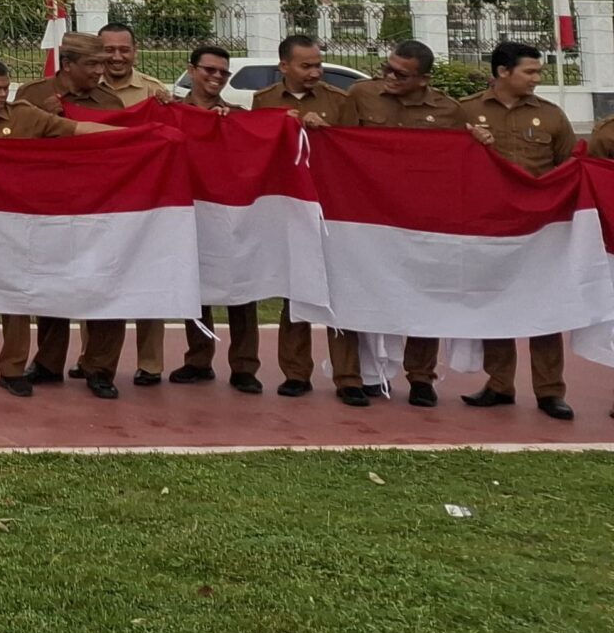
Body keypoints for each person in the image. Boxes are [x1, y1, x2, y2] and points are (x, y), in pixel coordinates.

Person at [0, 57, 117, 395]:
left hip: (13, 223)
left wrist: (130, 135)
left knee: (16, 295)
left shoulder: (23, 115)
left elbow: (74, 130)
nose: (3, 94)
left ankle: (13, 368)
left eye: (6, 87)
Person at [334, 40, 467, 408]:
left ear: (423, 79)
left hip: (419, 220)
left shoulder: (447, 111)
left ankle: (421, 378)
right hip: (364, 216)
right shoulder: (361, 95)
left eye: (400, 73)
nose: (389, 77)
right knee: (351, 292)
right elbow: (339, 147)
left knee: (423, 298)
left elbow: (458, 164)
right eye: (387, 68)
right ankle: (350, 377)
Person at [459, 39, 578, 420]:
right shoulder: (465, 112)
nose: (536, 78)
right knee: (496, 305)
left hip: (540, 230)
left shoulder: (552, 116)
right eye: (530, 71)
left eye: (538, 71)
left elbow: (570, 170)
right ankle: (499, 385)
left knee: (544, 310)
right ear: (502, 72)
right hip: (489, 225)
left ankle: (549, 391)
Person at [12, 30, 128, 388]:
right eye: (92, 64)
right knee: (51, 285)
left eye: (102, 64)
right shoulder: (30, 97)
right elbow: (14, 149)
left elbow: (123, 151)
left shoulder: (110, 103)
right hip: (49, 205)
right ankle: (48, 363)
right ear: (67, 64)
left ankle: (100, 368)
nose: (99, 71)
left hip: (99, 205)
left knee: (105, 285)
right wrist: (44, 124)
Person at [245, 33, 355, 399]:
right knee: (295, 291)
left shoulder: (339, 101)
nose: (314, 72)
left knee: (338, 292)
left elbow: (356, 151)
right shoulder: (263, 101)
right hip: (288, 207)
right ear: (284, 66)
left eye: (317, 64)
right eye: (305, 65)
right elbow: (255, 148)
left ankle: (348, 377)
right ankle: (295, 373)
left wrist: (328, 134)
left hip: (332, 208)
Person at [94, 23, 183, 387]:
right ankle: (93, 359)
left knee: (150, 280)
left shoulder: (155, 93)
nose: (117, 57)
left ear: (135, 51)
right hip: (102, 203)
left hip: (148, 204)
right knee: (99, 283)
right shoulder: (83, 92)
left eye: (124, 49)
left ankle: (150, 364)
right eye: (109, 50)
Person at [167, 42, 255, 388]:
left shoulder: (235, 116)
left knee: (241, 289)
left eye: (223, 72)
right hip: (190, 212)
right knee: (195, 287)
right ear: (192, 71)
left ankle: (245, 366)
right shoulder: (172, 113)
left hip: (230, 216)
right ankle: (198, 359)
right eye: (209, 70)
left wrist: (232, 127)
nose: (216, 77)